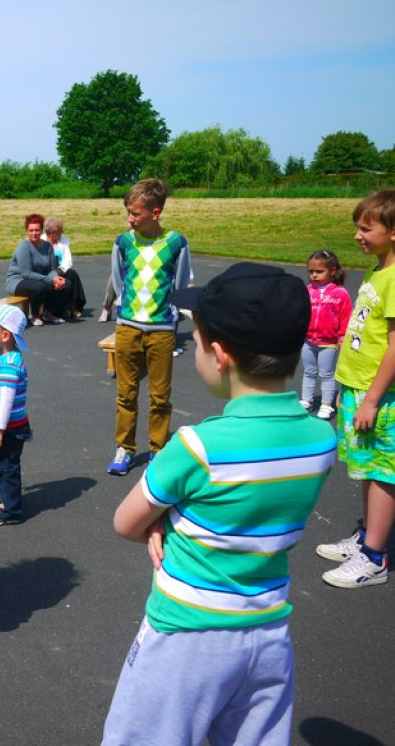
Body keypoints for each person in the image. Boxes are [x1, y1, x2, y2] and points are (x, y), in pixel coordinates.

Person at [102, 262, 337, 746]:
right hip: (268, 633)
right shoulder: (321, 441)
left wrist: (164, 520)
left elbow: (126, 522)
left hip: (186, 635)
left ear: (219, 354)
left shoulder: (196, 447)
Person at [316, 190, 395, 589]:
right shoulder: (377, 270)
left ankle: (375, 558)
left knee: (382, 473)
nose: (357, 236)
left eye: (366, 229)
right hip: (359, 388)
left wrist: (373, 399)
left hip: (378, 396)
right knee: (367, 468)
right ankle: (367, 537)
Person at [107, 179, 191, 476]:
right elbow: (119, 281)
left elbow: (180, 284)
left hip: (162, 330)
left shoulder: (176, 243)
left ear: (155, 213)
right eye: (128, 212)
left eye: (135, 213)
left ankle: (158, 449)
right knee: (125, 394)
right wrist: (126, 310)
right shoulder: (123, 242)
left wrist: (169, 313)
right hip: (128, 327)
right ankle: (125, 449)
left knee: (160, 396)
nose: (130, 218)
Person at [0, 304, 32, 526]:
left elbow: (7, 401)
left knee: (8, 466)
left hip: (9, 427)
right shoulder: (5, 357)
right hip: (2, 425)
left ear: (5, 336)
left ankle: (10, 510)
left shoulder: (9, 365)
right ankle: (0, 494)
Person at [300, 249, 352, 420]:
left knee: (326, 374)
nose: (314, 275)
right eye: (311, 271)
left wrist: (343, 337)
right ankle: (306, 400)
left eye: (319, 271)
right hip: (308, 341)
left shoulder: (340, 293)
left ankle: (327, 404)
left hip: (328, 343)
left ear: (333, 271)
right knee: (309, 371)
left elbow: (346, 317)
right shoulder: (307, 291)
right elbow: (301, 313)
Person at [6, 213, 68, 326]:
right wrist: (51, 280)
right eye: (31, 230)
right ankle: (35, 315)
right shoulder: (24, 246)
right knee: (40, 287)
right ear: (27, 231)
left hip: (37, 279)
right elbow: (26, 274)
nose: (34, 233)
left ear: (41, 230)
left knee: (65, 283)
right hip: (18, 281)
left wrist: (56, 278)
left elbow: (52, 269)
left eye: (37, 230)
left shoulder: (48, 246)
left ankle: (48, 312)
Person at [42, 215, 87, 319]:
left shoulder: (64, 240)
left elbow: (68, 259)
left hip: (61, 269)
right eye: (60, 230)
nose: (62, 232)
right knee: (65, 282)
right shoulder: (42, 241)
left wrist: (60, 270)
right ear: (52, 232)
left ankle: (73, 306)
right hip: (47, 272)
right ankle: (62, 308)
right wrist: (53, 274)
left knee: (72, 274)